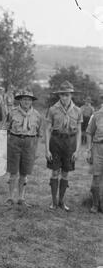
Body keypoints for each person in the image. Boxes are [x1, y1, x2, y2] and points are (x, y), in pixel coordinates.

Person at [45, 81, 82, 211]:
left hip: (70, 143)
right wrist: (47, 149)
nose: (64, 97)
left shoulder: (77, 110)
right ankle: (53, 201)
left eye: (67, 95)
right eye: (62, 95)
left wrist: (77, 150)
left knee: (65, 173)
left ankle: (61, 201)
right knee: (55, 172)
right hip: (56, 141)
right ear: (59, 96)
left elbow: (79, 131)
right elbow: (47, 129)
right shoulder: (52, 109)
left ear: (71, 95)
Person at [6, 90, 42, 206]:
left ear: (32, 101)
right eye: (24, 99)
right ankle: (11, 197)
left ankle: (21, 198)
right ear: (20, 100)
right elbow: (5, 129)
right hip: (14, 141)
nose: (27, 102)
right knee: (13, 171)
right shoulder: (12, 112)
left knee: (24, 172)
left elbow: (39, 134)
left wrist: (36, 150)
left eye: (29, 99)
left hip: (29, 142)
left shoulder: (37, 115)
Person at [86, 93, 103, 213]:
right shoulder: (96, 115)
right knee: (96, 176)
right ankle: (95, 204)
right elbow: (89, 132)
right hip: (98, 147)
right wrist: (88, 150)